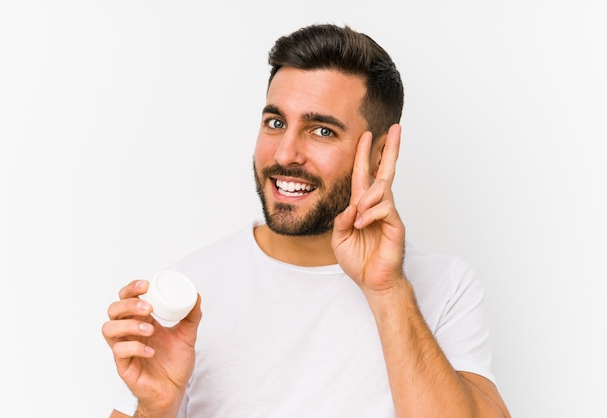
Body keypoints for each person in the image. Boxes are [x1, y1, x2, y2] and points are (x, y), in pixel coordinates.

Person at [102, 23, 511, 418]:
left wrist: (388, 292)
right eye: (275, 123)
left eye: (322, 131)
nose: (285, 154)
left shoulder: (446, 288)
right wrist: (155, 410)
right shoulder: (189, 292)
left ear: (381, 155)